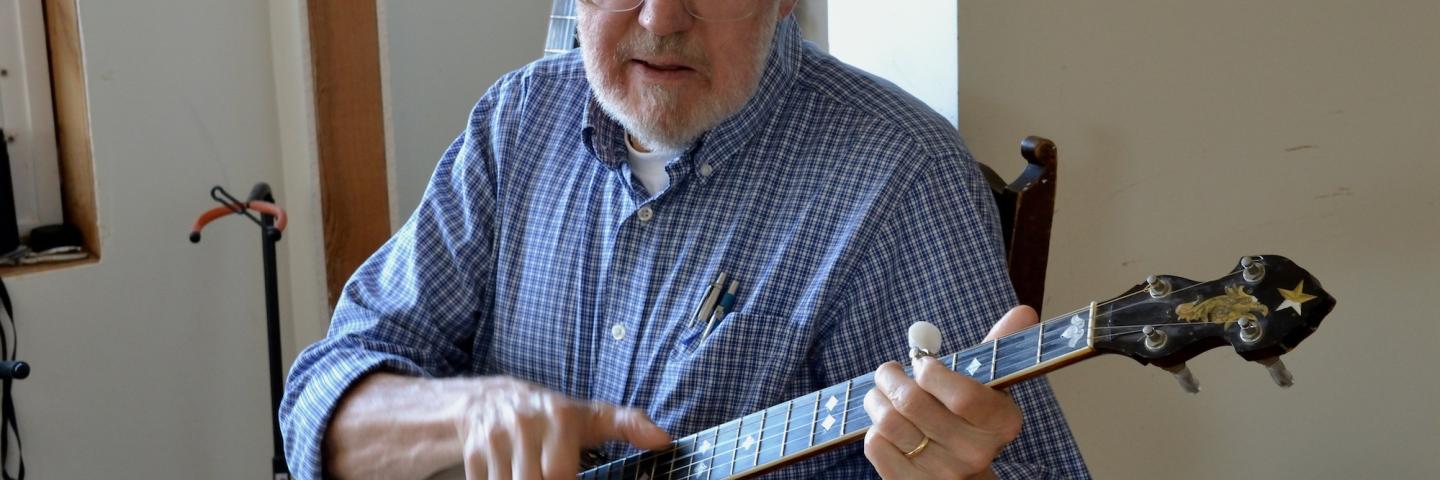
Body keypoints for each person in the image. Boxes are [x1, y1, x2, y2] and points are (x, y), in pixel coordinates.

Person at [281, 0, 1090, 478]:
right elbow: (323, 395)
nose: (662, 17)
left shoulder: (901, 174)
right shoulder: (517, 120)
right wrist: (463, 417)